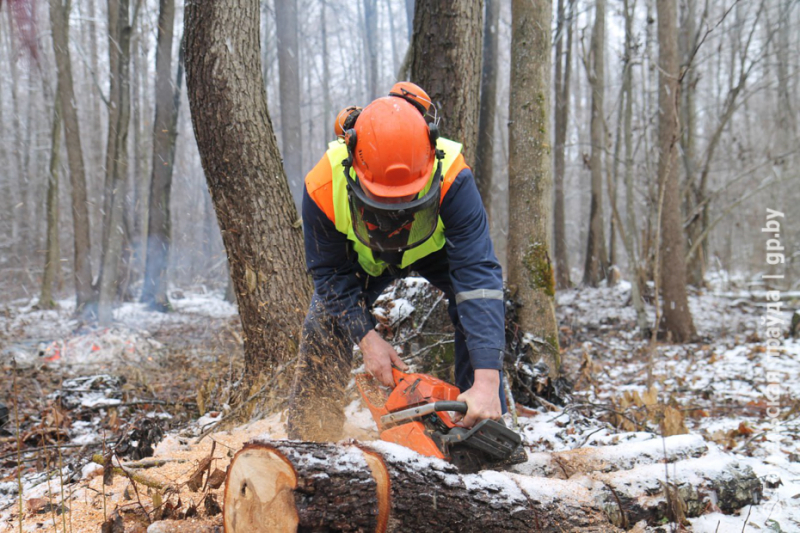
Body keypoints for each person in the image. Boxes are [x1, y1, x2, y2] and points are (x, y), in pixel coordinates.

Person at [287, 82, 506, 442]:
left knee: (478, 308)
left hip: (435, 252)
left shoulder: (453, 176)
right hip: (362, 259)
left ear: (431, 156)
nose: (396, 214)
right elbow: (328, 273)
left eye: (408, 201)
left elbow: (477, 274)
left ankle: (481, 426)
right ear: (353, 163)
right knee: (322, 324)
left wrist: (488, 381)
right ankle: (311, 439)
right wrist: (367, 338)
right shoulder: (323, 185)